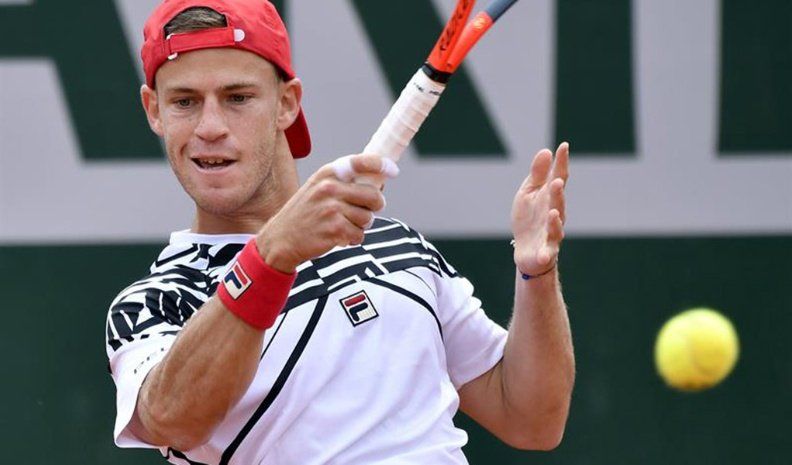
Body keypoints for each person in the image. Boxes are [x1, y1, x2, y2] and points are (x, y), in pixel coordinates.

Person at [104, 0, 575, 463]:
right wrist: (270, 256)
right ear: (154, 111)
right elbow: (172, 420)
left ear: (287, 103)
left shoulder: (399, 248)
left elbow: (531, 420)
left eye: (237, 98)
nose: (210, 127)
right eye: (185, 102)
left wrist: (536, 275)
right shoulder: (157, 301)